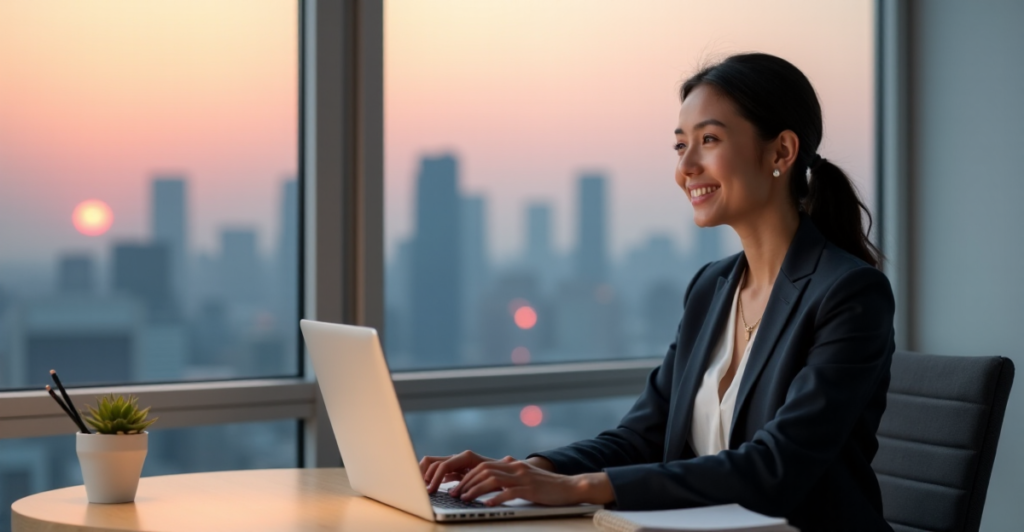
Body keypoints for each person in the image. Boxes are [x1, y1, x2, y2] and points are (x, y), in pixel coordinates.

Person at [420, 53, 895, 532]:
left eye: (708, 140)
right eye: (680, 145)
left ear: (781, 153)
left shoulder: (850, 294)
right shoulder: (712, 288)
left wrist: (581, 488)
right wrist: (529, 471)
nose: (686, 166)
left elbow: (776, 467)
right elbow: (640, 435)